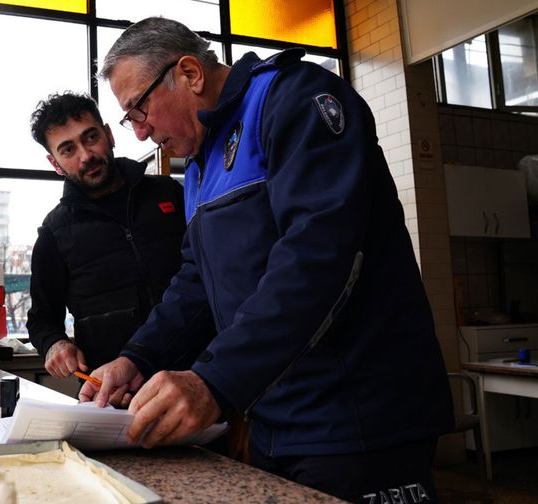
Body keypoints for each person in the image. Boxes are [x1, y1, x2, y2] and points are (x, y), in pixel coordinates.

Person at [80, 17, 455, 504]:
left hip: (357, 415)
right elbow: (196, 283)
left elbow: (319, 257)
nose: (140, 133)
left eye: (139, 110)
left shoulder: (295, 101)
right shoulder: (199, 164)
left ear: (190, 73)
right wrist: (138, 358)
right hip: (274, 417)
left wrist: (214, 380)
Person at [26, 91, 210, 380]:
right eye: (68, 150)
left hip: (201, 377)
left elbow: (210, 272)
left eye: (90, 138)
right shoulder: (54, 232)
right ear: (56, 164)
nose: (86, 156)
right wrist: (53, 344)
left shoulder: (171, 194)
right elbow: (41, 319)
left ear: (109, 135)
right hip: (114, 393)